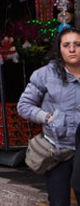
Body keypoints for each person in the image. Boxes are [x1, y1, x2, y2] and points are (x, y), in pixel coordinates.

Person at [18, 27, 80, 206]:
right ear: (59, 49)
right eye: (66, 45)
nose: (72, 49)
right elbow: (24, 105)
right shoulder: (46, 74)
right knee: (58, 201)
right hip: (57, 149)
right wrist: (47, 117)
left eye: (77, 44)